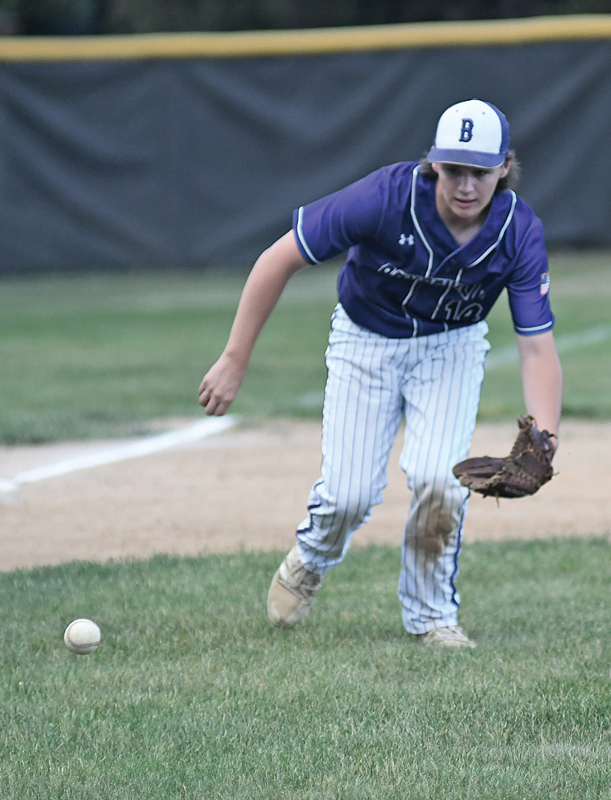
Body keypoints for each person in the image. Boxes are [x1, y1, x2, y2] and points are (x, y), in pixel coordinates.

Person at [198, 98, 562, 648]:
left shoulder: (517, 231)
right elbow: (279, 258)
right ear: (434, 163)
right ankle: (311, 559)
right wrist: (234, 357)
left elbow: (536, 347)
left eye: (480, 173)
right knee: (349, 494)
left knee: (441, 480)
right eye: (454, 169)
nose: (466, 185)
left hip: (451, 350)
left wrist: (543, 439)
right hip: (365, 342)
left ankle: (432, 616)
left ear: (503, 169)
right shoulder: (385, 198)